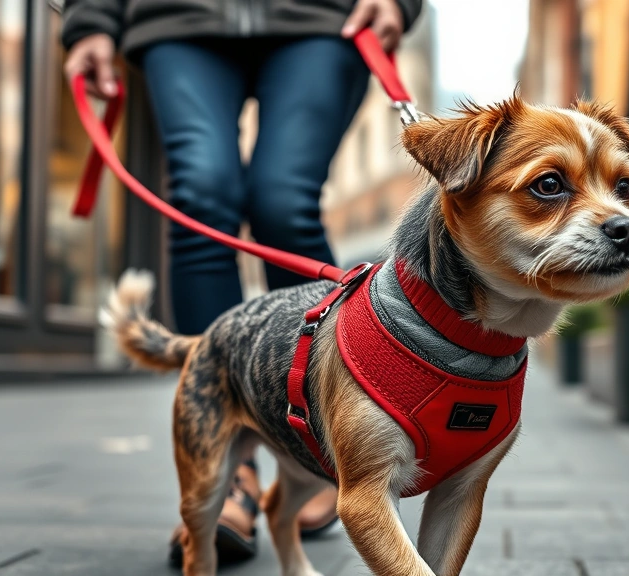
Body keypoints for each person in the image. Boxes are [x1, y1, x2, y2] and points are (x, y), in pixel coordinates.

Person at [60, 0, 422, 563]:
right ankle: (230, 467)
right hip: (179, 16)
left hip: (322, 17)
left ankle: (324, 444)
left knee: (283, 202)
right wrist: (91, 18)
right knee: (203, 196)